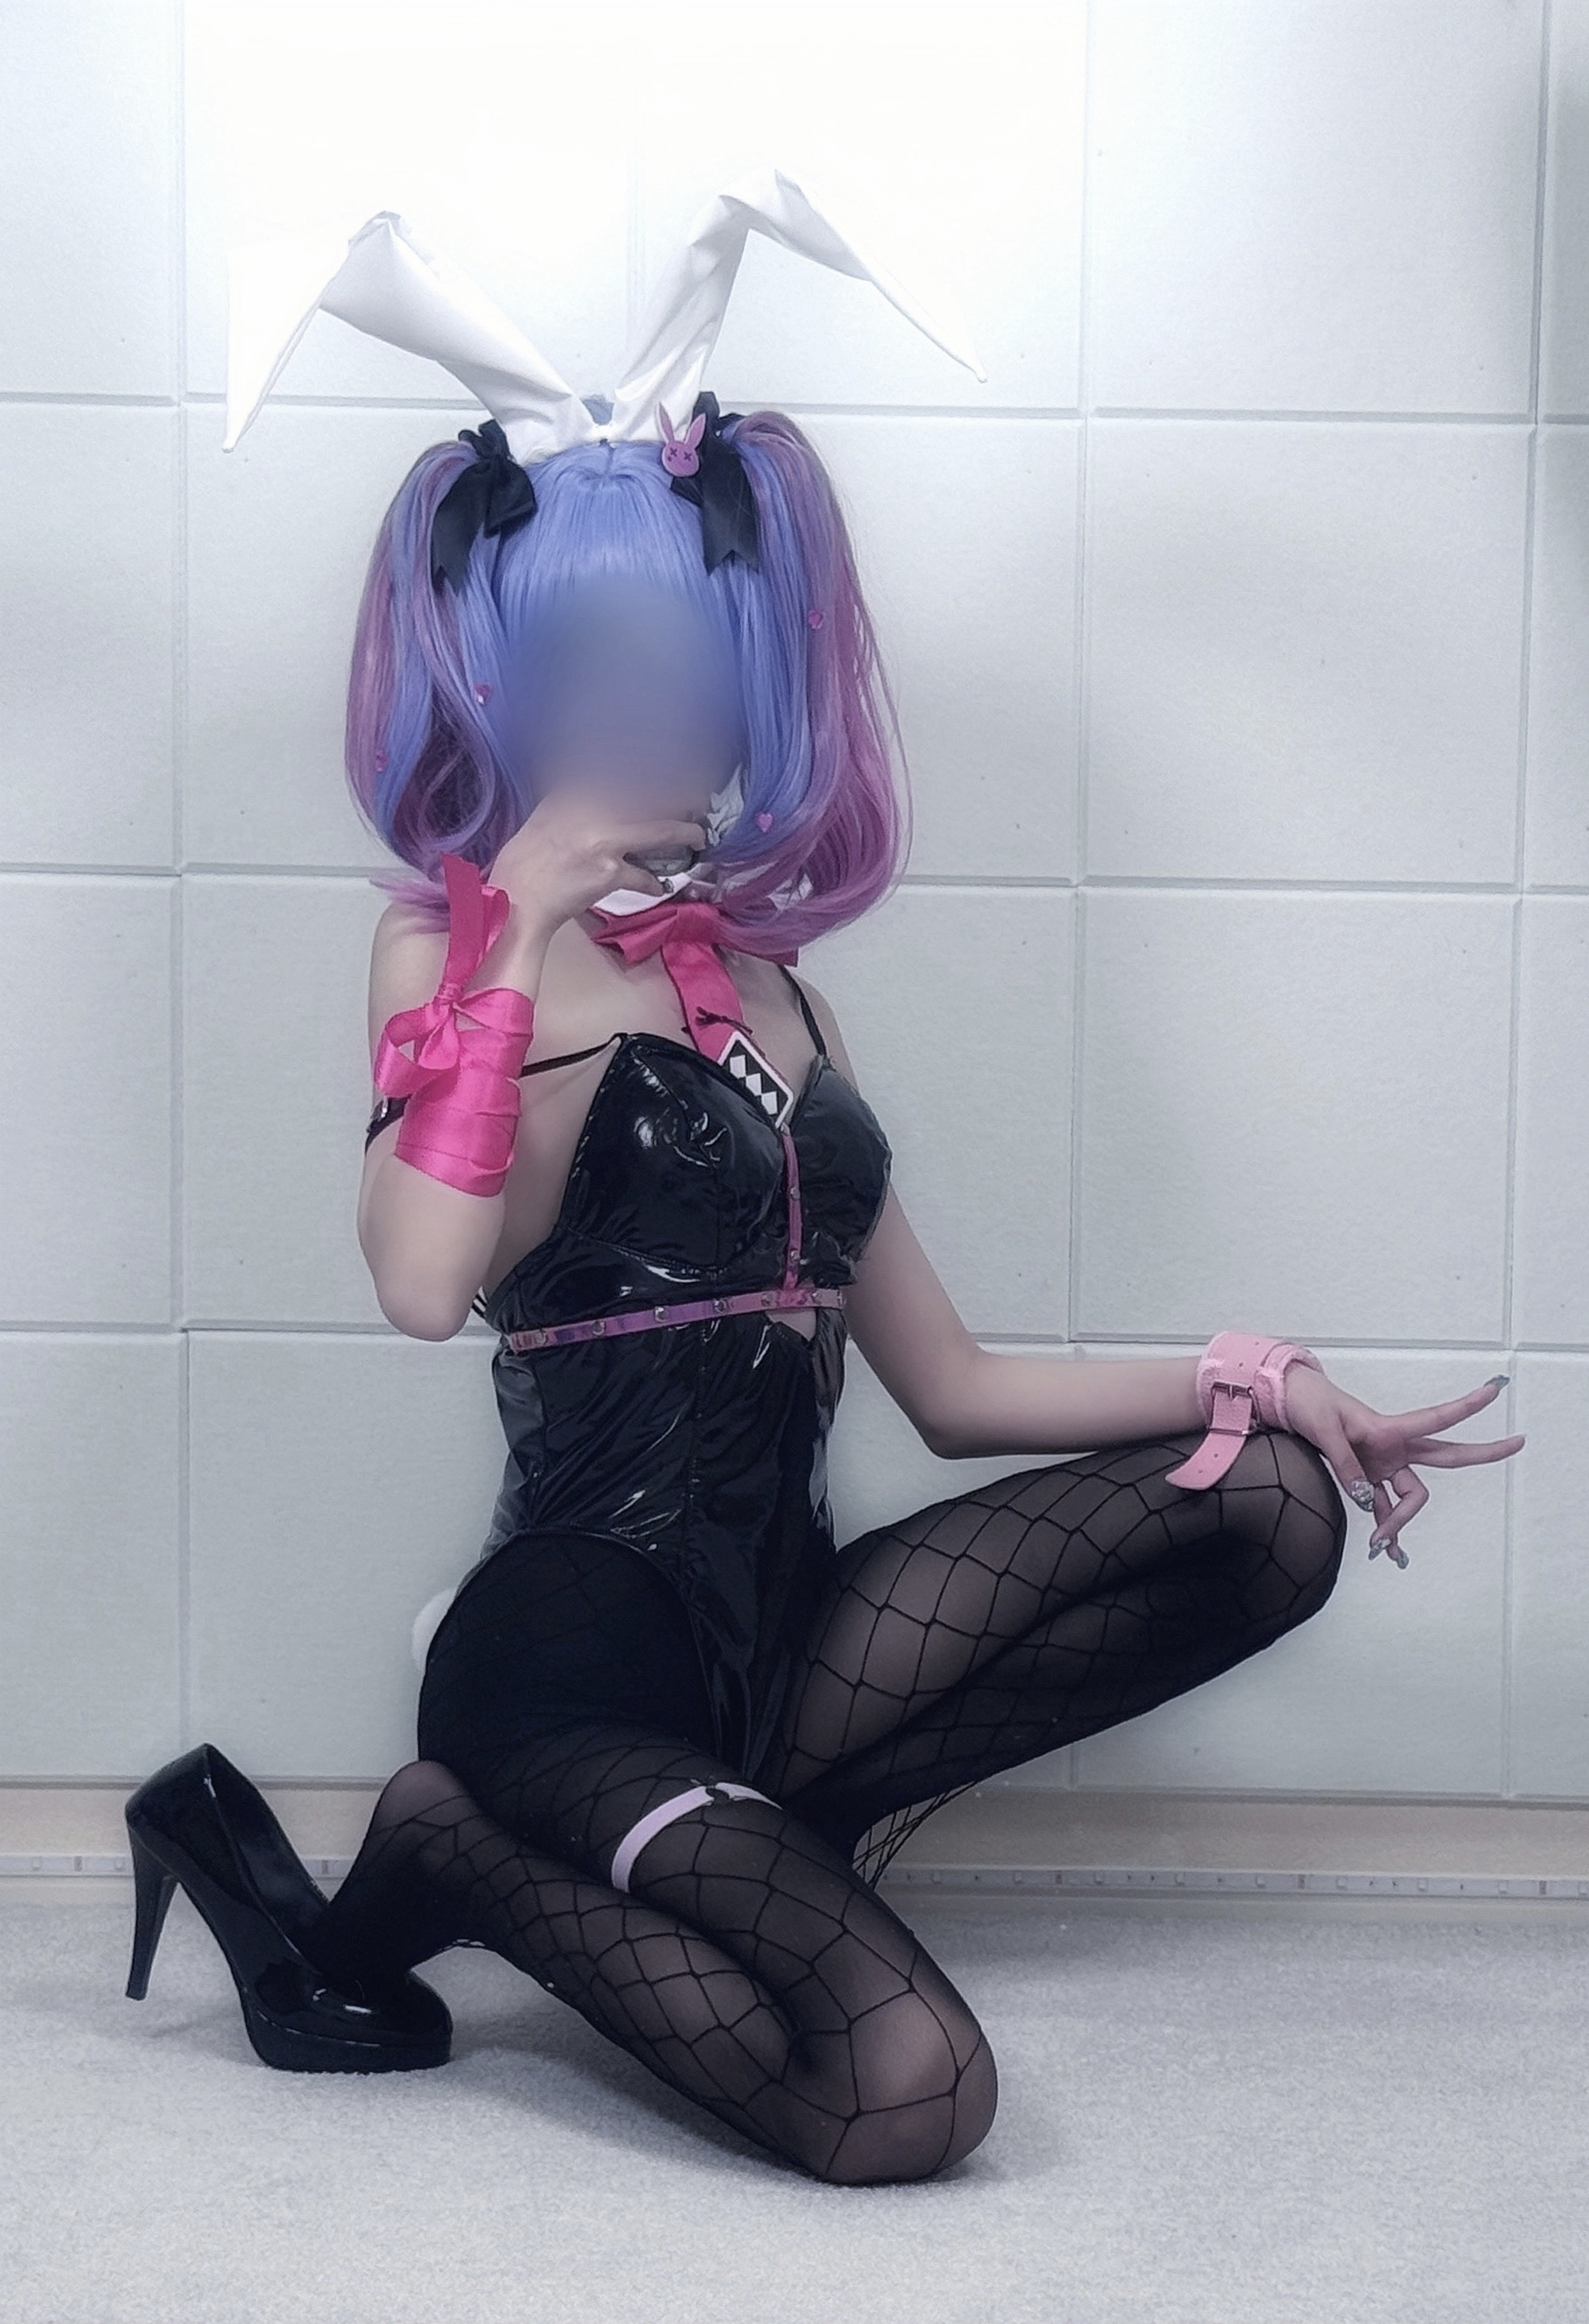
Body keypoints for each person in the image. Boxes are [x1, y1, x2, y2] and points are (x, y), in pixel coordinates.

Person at [122, 192, 1524, 2188]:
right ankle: (451, 1842)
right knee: (903, 2091)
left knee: (1268, 1507)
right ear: (503, 676)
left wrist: (1266, 1375)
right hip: (576, 1651)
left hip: (791, 1633)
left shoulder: (780, 992)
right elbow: (423, 1285)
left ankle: (763, 1817)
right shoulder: (443, 954)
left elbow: (949, 1388)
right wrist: (515, 922)